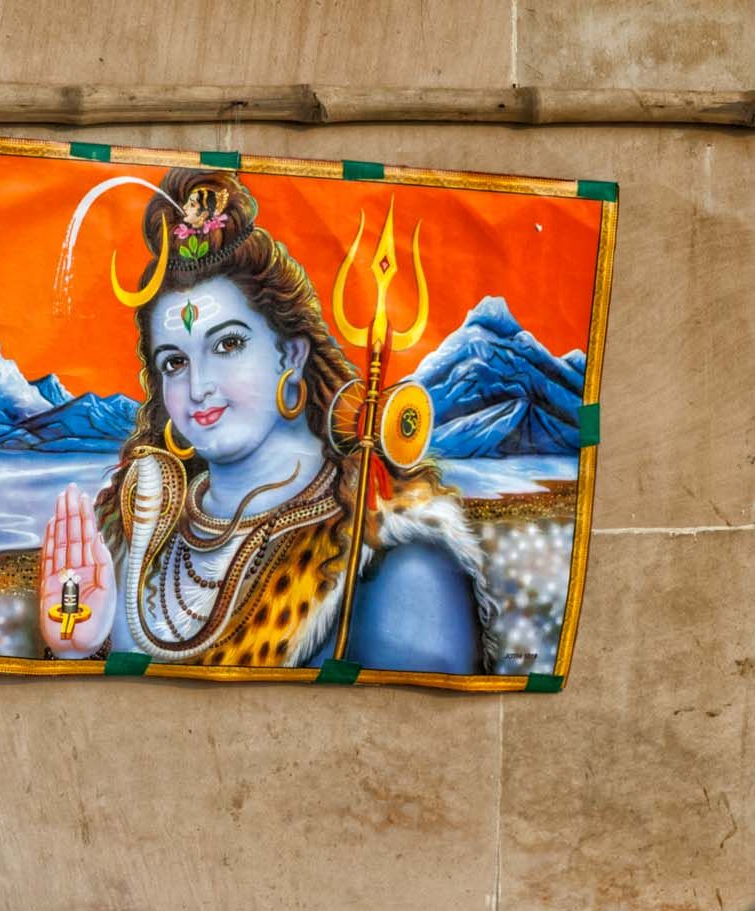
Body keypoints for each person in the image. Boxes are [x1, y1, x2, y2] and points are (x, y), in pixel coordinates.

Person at [38, 169, 494, 674]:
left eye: (228, 344)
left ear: (291, 355)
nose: (197, 386)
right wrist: (75, 649)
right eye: (175, 362)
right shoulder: (135, 532)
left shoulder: (396, 561)